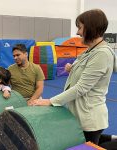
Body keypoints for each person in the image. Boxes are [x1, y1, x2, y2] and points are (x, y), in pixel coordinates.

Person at [29, 9, 117, 145]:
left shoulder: (102, 53)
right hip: (78, 115)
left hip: (89, 119)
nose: (77, 32)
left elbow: (82, 87)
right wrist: (72, 68)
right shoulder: (90, 50)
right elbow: (85, 70)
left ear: (91, 28)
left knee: (87, 146)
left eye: (80, 27)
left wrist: (50, 101)